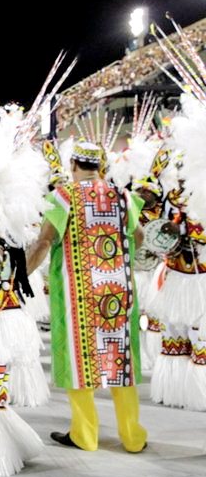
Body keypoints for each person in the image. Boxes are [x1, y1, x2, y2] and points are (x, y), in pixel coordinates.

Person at [26, 141, 147, 452]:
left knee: (77, 358)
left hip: (77, 290)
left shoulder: (62, 197)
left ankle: (85, 435)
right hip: (117, 289)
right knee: (120, 358)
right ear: (100, 166)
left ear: (73, 165)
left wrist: (19, 276)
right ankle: (132, 437)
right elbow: (139, 236)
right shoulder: (123, 196)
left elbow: (43, 242)